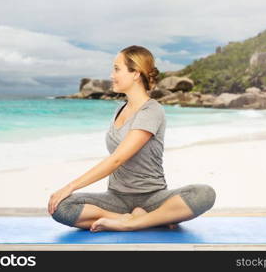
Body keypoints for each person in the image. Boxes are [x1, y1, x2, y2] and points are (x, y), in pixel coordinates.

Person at [48, 45, 216, 232]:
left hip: (153, 198)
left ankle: (134, 223)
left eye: (117, 69)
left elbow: (117, 159)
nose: (112, 75)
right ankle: (133, 219)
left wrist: (70, 186)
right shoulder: (119, 109)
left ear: (135, 73)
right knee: (62, 207)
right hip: (116, 199)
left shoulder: (151, 111)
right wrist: (67, 194)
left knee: (204, 194)